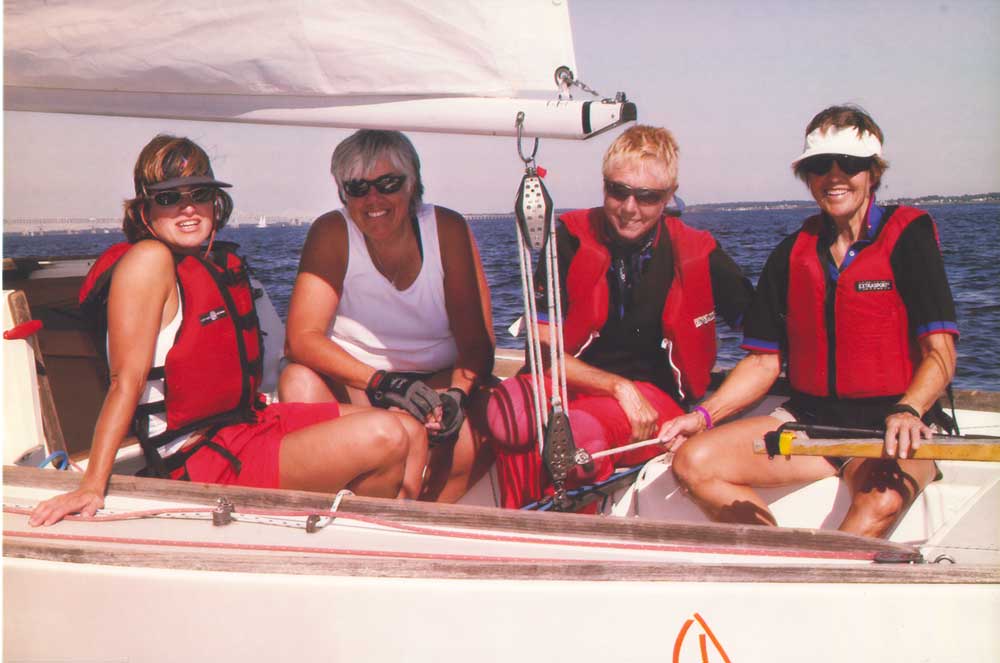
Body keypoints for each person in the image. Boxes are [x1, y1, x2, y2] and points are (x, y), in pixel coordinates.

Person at [30, 135, 417, 527]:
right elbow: (125, 382)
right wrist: (92, 486)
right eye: (169, 198)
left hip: (245, 425)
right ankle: (357, 538)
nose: (187, 208)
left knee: (408, 428)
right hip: (201, 459)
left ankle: (361, 532)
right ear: (145, 210)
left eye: (199, 194)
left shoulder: (209, 262)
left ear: (214, 203)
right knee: (385, 433)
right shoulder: (148, 261)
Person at [659, 105, 959, 538]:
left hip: (893, 426)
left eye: (849, 164)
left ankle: (824, 574)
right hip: (809, 422)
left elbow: (940, 352)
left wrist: (909, 410)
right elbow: (763, 362)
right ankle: (776, 557)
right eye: (820, 165)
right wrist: (704, 416)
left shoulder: (909, 239)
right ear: (807, 176)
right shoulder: (790, 254)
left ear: (873, 172)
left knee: (882, 500)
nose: (834, 176)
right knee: (693, 462)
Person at [487, 124, 754, 508]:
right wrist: (618, 388)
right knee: (507, 411)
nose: (630, 208)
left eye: (647, 197)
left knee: (578, 433)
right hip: (577, 384)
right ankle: (519, 524)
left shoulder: (699, 253)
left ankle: (560, 529)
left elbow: (767, 346)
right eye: (618, 191)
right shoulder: (568, 241)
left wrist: (706, 416)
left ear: (669, 196)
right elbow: (542, 350)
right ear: (604, 186)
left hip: (656, 403)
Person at [279, 129, 495, 502]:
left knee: (493, 414)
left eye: (388, 184)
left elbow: (477, 344)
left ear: (413, 185)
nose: (373, 199)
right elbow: (300, 340)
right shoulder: (331, 232)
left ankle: (415, 517)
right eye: (358, 188)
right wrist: (383, 384)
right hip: (358, 387)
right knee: (297, 380)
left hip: (437, 385)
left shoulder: (446, 229)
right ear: (343, 194)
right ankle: (340, 507)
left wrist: (455, 396)